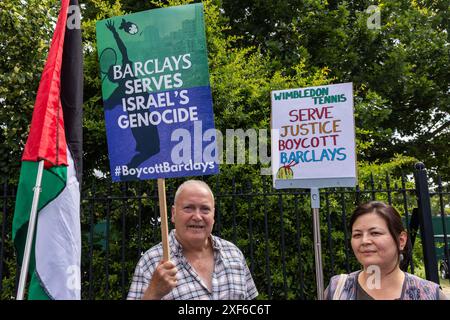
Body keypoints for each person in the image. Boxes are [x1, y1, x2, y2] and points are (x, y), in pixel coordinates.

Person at [127, 180, 258, 300]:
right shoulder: (151, 263)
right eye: (188, 208)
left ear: (213, 215)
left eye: (205, 209)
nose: (197, 216)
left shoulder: (234, 254)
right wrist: (153, 293)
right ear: (173, 214)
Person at [325, 201, 447, 300]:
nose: (365, 241)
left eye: (375, 233)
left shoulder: (428, 294)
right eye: (357, 235)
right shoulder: (337, 290)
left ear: (401, 240)